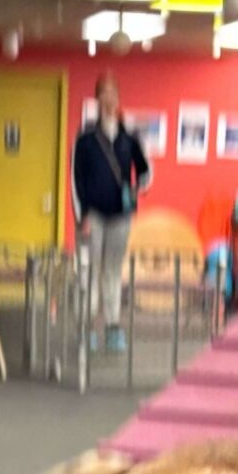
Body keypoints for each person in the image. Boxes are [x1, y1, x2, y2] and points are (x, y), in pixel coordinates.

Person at [71, 74, 152, 351]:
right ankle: (88, 329)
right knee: (89, 273)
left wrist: (139, 187)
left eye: (113, 94)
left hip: (120, 217)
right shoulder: (84, 140)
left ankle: (113, 327)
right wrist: (81, 216)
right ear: (97, 99)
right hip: (92, 217)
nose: (109, 99)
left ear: (118, 99)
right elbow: (75, 180)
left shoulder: (130, 138)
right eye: (103, 94)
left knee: (113, 272)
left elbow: (145, 170)